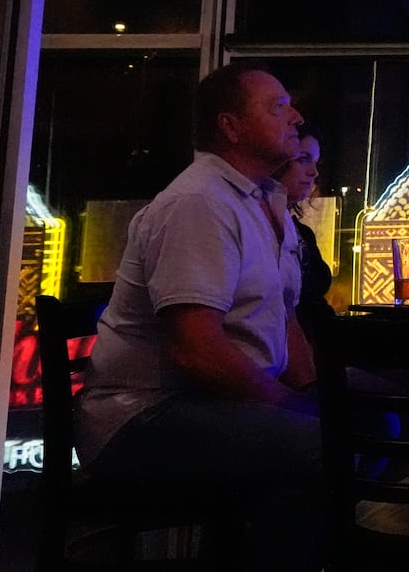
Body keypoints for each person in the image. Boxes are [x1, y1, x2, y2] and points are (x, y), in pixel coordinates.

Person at [75, 62, 323, 571]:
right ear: (231, 127)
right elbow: (196, 352)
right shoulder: (199, 203)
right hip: (144, 416)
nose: (295, 115)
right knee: (323, 446)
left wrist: (318, 392)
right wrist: (291, 407)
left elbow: (284, 317)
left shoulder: (263, 202)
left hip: (211, 402)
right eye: (277, 107)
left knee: (381, 413)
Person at [276, 126, 335, 331]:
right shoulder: (258, 227)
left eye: (315, 162)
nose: (314, 171)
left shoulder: (302, 232)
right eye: (303, 159)